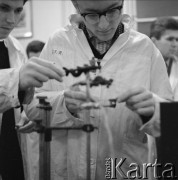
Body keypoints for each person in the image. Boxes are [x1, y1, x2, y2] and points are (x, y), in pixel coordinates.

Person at [25, 0, 173, 179]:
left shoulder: (144, 48)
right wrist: (63, 103)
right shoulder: (58, 43)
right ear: (77, 7)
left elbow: (169, 120)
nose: (104, 24)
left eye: (112, 11)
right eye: (92, 14)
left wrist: (152, 111)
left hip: (124, 169)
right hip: (69, 169)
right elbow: (32, 106)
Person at [0, 0, 65, 179]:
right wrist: (16, 79)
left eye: (18, 10)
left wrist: (27, 115)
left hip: (11, 155)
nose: (11, 19)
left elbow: (11, 101)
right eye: (3, 8)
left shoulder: (15, 49)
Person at [150, 17, 178, 96]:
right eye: (170, 39)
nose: (175, 44)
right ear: (154, 41)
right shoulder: (142, 66)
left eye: (177, 40)